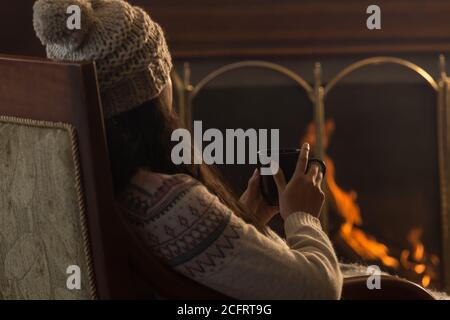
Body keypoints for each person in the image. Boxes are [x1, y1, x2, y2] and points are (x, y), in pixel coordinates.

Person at [33, 0, 343, 299]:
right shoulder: (166, 201)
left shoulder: (86, 184)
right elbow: (319, 289)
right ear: (152, 88)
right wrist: (302, 217)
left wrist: (246, 221)